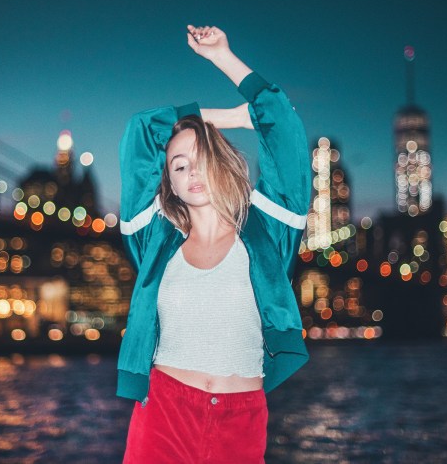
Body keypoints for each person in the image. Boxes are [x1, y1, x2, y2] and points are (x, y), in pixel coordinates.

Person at [118, 25, 311, 463]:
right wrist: (217, 118)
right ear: (169, 180)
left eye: (202, 159)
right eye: (179, 165)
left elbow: (281, 121)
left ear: (222, 162)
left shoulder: (268, 231)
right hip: (163, 415)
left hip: (240, 421)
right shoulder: (154, 240)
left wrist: (222, 57)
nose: (192, 173)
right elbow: (141, 130)